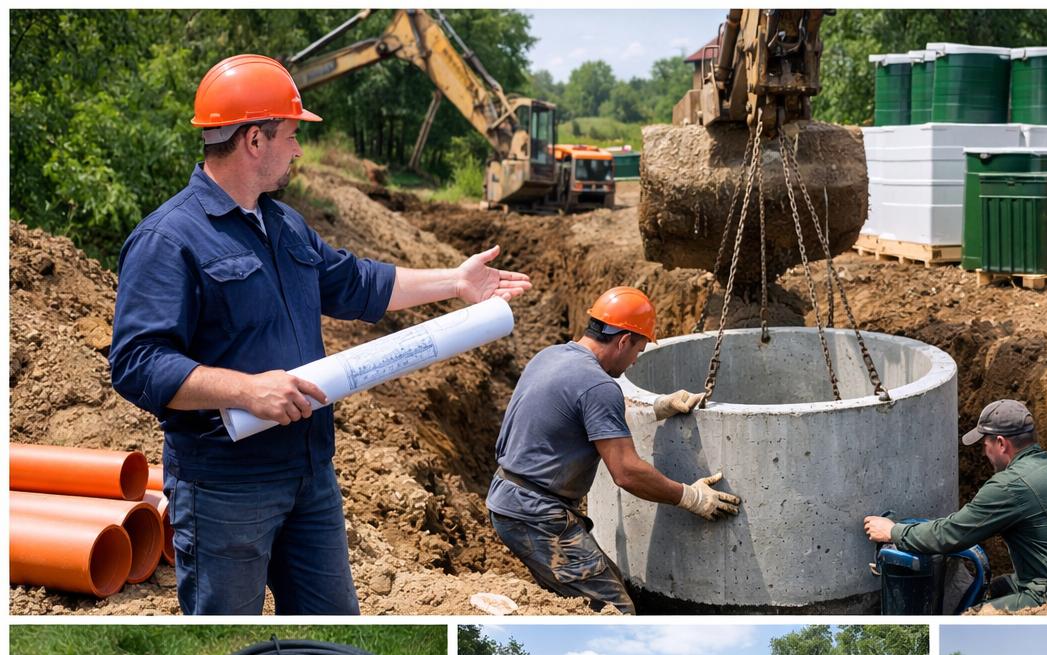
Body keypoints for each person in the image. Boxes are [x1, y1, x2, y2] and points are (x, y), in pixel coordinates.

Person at [110, 54, 531, 615]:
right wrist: (246, 390)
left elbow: (357, 283)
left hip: (310, 477)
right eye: (291, 134)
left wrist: (455, 282)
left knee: (330, 625)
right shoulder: (169, 239)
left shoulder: (281, 223)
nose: (299, 148)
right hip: (226, 489)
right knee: (224, 626)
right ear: (254, 139)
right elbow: (136, 363)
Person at [485, 286, 739, 613]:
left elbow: (580, 415)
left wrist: (656, 409)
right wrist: (690, 497)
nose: (635, 361)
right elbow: (627, 472)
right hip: (535, 515)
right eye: (638, 349)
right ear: (622, 341)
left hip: (511, 500)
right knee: (615, 612)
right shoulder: (598, 386)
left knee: (606, 586)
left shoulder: (550, 356)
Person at [862, 399, 1047, 611]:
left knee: (970, 622)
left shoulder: (1010, 486)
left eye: (985, 444)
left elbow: (951, 534)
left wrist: (893, 531)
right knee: (994, 588)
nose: (984, 452)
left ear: (1001, 443)